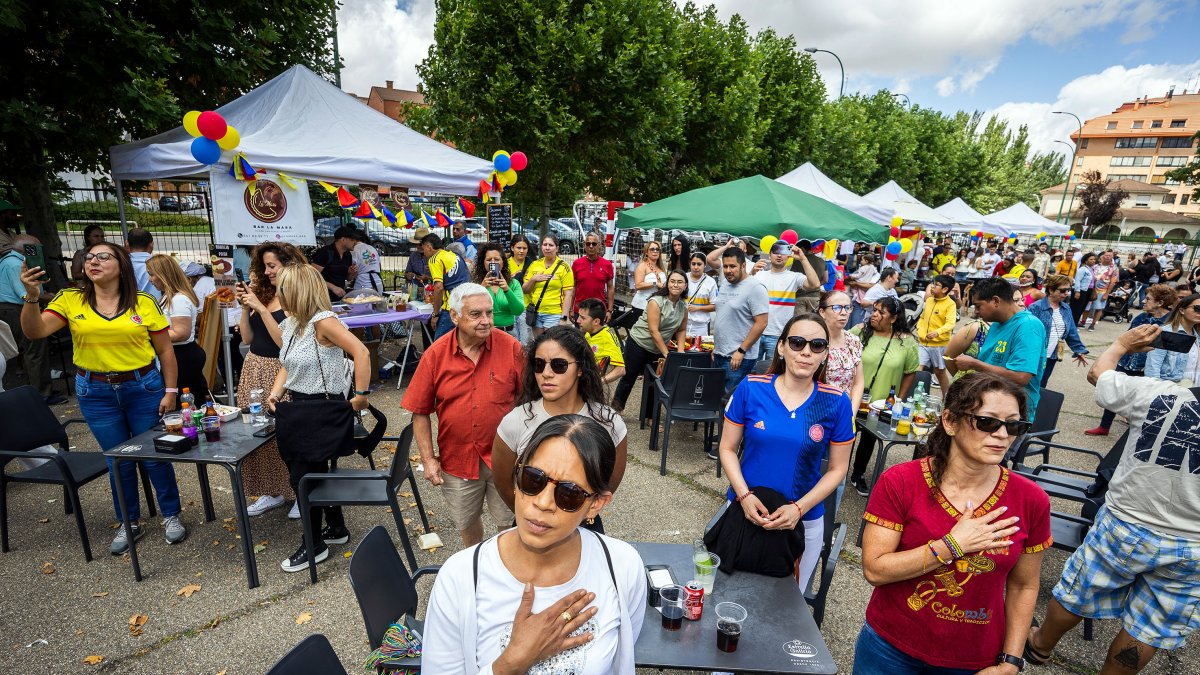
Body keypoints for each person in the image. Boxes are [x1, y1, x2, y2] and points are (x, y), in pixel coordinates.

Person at [1027, 324, 1200, 674]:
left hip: (1127, 523)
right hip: (1193, 545)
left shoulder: (1159, 394)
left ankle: (1040, 645)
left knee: (1080, 589)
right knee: (1150, 626)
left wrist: (1122, 343)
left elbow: (1098, 373)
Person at [856, 372, 1050, 675]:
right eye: (987, 422)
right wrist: (952, 545)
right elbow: (875, 569)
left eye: (1014, 425)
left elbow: (1024, 585)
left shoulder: (1031, 500)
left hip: (972, 659)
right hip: (891, 649)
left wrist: (1011, 662)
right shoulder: (902, 481)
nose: (1002, 434)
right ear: (950, 421)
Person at [424, 415, 646, 674]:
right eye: (532, 479)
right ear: (516, 475)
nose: (543, 502)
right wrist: (512, 662)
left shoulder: (622, 567)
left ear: (595, 504)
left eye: (569, 493)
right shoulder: (459, 578)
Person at [20, 242, 185, 554]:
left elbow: (166, 351)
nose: (93, 261)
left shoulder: (143, 302)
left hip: (143, 388)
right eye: (89, 257)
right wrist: (31, 297)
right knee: (117, 458)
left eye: (103, 257)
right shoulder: (70, 299)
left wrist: (171, 391)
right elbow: (35, 332)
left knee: (154, 454)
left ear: (121, 266)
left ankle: (171, 515)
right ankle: (128, 521)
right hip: (95, 393)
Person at [716, 312, 855, 589]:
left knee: (787, 608)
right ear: (781, 346)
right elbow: (727, 448)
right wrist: (744, 496)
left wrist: (798, 509)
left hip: (802, 522)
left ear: (825, 354)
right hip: (745, 513)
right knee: (730, 595)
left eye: (816, 345)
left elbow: (838, 469)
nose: (806, 352)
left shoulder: (836, 402)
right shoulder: (751, 388)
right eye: (797, 342)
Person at [264, 265, 371, 572]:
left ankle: (313, 546)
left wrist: (361, 395)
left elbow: (361, 352)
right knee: (314, 472)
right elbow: (287, 363)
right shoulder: (293, 323)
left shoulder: (323, 321)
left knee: (303, 477)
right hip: (298, 408)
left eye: (283, 287)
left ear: (298, 290)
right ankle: (336, 530)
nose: (279, 293)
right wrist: (275, 391)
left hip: (320, 409)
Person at [402, 283, 524, 547]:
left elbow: (530, 403)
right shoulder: (435, 355)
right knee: (467, 521)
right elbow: (420, 412)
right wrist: (429, 458)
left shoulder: (511, 348)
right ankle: (474, 563)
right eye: (476, 314)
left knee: (509, 519)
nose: (486, 321)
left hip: (506, 457)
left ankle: (509, 567)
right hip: (458, 458)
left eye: (489, 313)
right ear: (455, 316)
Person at [493, 326, 628, 528]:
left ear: (580, 368)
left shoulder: (609, 422)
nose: (546, 374)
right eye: (539, 365)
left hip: (583, 524)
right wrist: (534, 516)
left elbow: (609, 483)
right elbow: (504, 484)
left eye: (559, 365)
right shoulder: (516, 422)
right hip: (531, 522)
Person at [848, 297, 920, 496]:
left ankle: (858, 473)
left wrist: (899, 400)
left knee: (869, 440)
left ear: (894, 318)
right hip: (851, 398)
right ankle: (836, 471)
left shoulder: (906, 342)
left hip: (880, 404)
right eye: (874, 310)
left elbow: (910, 371)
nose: (874, 315)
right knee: (845, 436)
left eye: (881, 312)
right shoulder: (859, 333)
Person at [1085, 284, 1176, 436]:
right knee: (1112, 391)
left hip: (1144, 367)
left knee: (1139, 401)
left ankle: (1133, 433)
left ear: (1160, 303)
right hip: (1126, 362)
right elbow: (1126, 339)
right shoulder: (1141, 317)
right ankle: (1104, 426)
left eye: (1148, 299)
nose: (1144, 301)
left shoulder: (1169, 323)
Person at [954, 278, 1047, 422]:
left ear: (996, 301)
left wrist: (974, 364)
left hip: (1011, 415)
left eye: (978, 306)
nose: (976, 312)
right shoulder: (997, 324)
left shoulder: (1028, 326)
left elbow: (1021, 377)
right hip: (988, 406)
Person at [611, 270, 688, 412]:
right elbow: (654, 331)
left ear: (685, 286)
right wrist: (667, 354)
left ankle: (649, 417)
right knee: (628, 378)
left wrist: (681, 351)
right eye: (672, 281)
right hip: (638, 343)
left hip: (658, 348)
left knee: (655, 382)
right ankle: (615, 411)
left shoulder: (683, 307)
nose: (675, 285)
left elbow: (681, 330)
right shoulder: (656, 302)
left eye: (680, 282)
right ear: (667, 284)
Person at [0, 234, 61, 404]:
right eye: (37, 248)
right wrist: (54, 297)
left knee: (30, 349)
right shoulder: (14, 264)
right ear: (27, 249)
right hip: (15, 308)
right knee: (35, 348)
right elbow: (26, 294)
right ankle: (42, 394)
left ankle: (38, 391)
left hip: (12, 307)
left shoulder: (12, 260)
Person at [146, 254, 210, 405]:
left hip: (182, 356)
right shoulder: (169, 297)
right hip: (178, 354)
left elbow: (181, 333)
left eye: (151, 274)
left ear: (163, 274)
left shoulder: (179, 299)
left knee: (188, 403)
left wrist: (149, 334)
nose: (150, 279)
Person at [752, 241, 822, 362]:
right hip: (755, 332)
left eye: (783, 252)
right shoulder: (759, 275)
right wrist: (751, 272)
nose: (779, 255)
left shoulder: (794, 277)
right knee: (750, 371)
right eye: (775, 252)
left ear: (789, 255)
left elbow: (815, 284)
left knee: (772, 372)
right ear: (769, 255)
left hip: (778, 335)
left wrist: (803, 258)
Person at [713, 247, 769, 394]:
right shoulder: (726, 283)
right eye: (725, 266)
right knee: (717, 397)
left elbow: (762, 322)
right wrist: (717, 348)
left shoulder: (755, 288)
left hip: (738, 357)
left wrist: (741, 350)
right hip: (720, 353)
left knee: (731, 400)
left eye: (732, 266)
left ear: (743, 266)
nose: (728, 270)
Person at [1026, 274, 1089, 389]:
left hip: (1051, 356)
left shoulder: (1066, 308)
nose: (1066, 293)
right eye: (1063, 290)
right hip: (1034, 355)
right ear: (1051, 290)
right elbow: (1027, 332)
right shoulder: (1035, 307)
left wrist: (1079, 350)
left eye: (1069, 290)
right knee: (1028, 385)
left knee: (1041, 385)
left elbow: (1071, 331)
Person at [819, 290, 865, 408]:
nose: (844, 313)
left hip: (843, 410)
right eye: (837, 307)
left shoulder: (853, 341)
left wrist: (851, 416)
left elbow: (858, 383)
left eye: (847, 308)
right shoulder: (813, 341)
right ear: (822, 312)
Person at [522, 235, 574, 337]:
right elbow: (525, 290)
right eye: (545, 245)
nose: (547, 248)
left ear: (557, 248)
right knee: (538, 344)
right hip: (536, 313)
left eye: (551, 245)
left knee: (551, 344)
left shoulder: (564, 267)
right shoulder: (534, 265)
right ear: (541, 247)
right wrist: (533, 279)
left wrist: (564, 318)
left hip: (554, 314)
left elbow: (568, 295)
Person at [422, 232, 471, 341]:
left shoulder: (434, 259)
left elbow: (439, 288)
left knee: (440, 346)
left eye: (423, 249)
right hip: (466, 305)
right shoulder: (454, 255)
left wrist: (435, 314)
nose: (423, 253)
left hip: (450, 308)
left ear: (429, 247)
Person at [1143, 292, 1200, 384]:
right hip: (1170, 391)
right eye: (1198, 308)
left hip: (1192, 391)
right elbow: (1152, 368)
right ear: (1182, 310)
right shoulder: (1165, 333)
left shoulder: (1197, 335)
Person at [915, 274, 958, 395]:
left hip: (939, 345)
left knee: (939, 373)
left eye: (936, 285)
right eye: (932, 283)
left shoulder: (950, 304)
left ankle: (946, 398)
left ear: (945, 289)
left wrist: (937, 332)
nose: (932, 287)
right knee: (917, 369)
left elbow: (950, 324)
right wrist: (920, 331)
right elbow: (922, 318)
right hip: (923, 343)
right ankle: (912, 396)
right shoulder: (929, 300)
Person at [472, 243, 525, 333]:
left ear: (503, 262)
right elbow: (471, 308)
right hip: (484, 332)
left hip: (509, 332)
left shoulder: (513, 284)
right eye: (489, 260)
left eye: (496, 259)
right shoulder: (476, 285)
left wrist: (507, 290)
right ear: (483, 262)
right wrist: (481, 288)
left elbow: (518, 311)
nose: (493, 262)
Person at [620, 240, 667, 330]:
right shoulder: (642, 266)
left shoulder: (661, 267)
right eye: (652, 249)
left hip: (657, 304)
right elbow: (638, 285)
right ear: (646, 252)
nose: (655, 251)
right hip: (642, 305)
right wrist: (655, 283)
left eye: (657, 249)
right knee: (640, 331)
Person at [577, 298, 624, 384]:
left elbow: (620, 370)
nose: (578, 321)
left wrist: (598, 382)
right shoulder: (588, 332)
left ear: (596, 321)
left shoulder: (608, 338)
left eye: (582, 318)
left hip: (589, 385)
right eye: (579, 316)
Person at [570, 232, 614, 320]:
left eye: (594, 244)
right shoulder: (576, 264)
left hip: (598, 310)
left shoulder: (607, 265)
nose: (591, 246)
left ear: (599, 246)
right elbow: (573, 287)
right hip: (580, 309)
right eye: (588, 243)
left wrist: (609, 310)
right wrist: (570, 308)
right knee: (579, 334)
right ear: (584, 245)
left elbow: (610, 288)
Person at [309, 226, 358, 302]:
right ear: (343, 239)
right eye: (352, 240)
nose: (355, 242)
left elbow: (348, 278)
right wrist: (332, 287)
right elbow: (311, 276)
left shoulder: (348, 255)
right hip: (322, 298)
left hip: (339, 298)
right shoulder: (325, 252)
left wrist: (351, 273)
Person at [944, 312, 990, 383]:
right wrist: (963, 379)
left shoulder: (1010, 330)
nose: (977, 311)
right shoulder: (976, 327)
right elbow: (948, 357)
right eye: (977, 306)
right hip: (967, 386)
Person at [506, 233, 535, 344]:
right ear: (512, 248)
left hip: (526, 306)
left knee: (525, 340)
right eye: (519, 248)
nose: (521, 251)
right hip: (509, 307)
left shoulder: (532, 264)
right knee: (511, 339)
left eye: (524, 248)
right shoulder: (505, 264)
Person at [1081, 250, 1118, 331]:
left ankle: (1093, 324)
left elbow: (1112, 282)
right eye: (1106, 255)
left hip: (1102, 291)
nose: (1107, 257)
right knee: (1087, 307)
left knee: (1098, 308)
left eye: (1110, 256)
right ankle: (1083, 322)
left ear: (1112, 258)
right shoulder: (1095, 266)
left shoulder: (1114, 269)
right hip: (1091, 289)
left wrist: (1107, 294)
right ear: (1102, 256)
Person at [683, 252, 717, 339]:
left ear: (705, 265)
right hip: (682, 324)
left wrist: (698, 308)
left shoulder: (711, 282)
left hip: (701, 327)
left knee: (699, 350)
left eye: (699, 264)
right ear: (689, 264)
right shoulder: (683, 278)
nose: (696, 267)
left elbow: (715, 306)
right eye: (693, 264)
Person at [125, 227, 161, 301]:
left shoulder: (119, 265)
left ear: (127, 243)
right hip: (154, 308)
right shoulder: (160, 265)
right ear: (151, 244)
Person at [847, 252, 881, 329]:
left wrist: (856, 283)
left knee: (855, 325)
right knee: (849, 323)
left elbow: (869, 286)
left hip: (861, 305)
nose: (861, 261)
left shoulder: (875, 275)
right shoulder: (873, 269)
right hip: (855, 301)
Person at [1070, 252, 1096, 321]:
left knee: (1082, 308)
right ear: (1086, 260)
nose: (1093, 261)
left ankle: (1075, 322)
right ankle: (1073, 323)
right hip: (1081, 290)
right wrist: (1077, 291)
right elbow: (1077, 280)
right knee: (1076, 309)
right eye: (1091, 259)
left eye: (1094, 259)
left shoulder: (1092, 269)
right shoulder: (1082, 269)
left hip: (1088, 290)